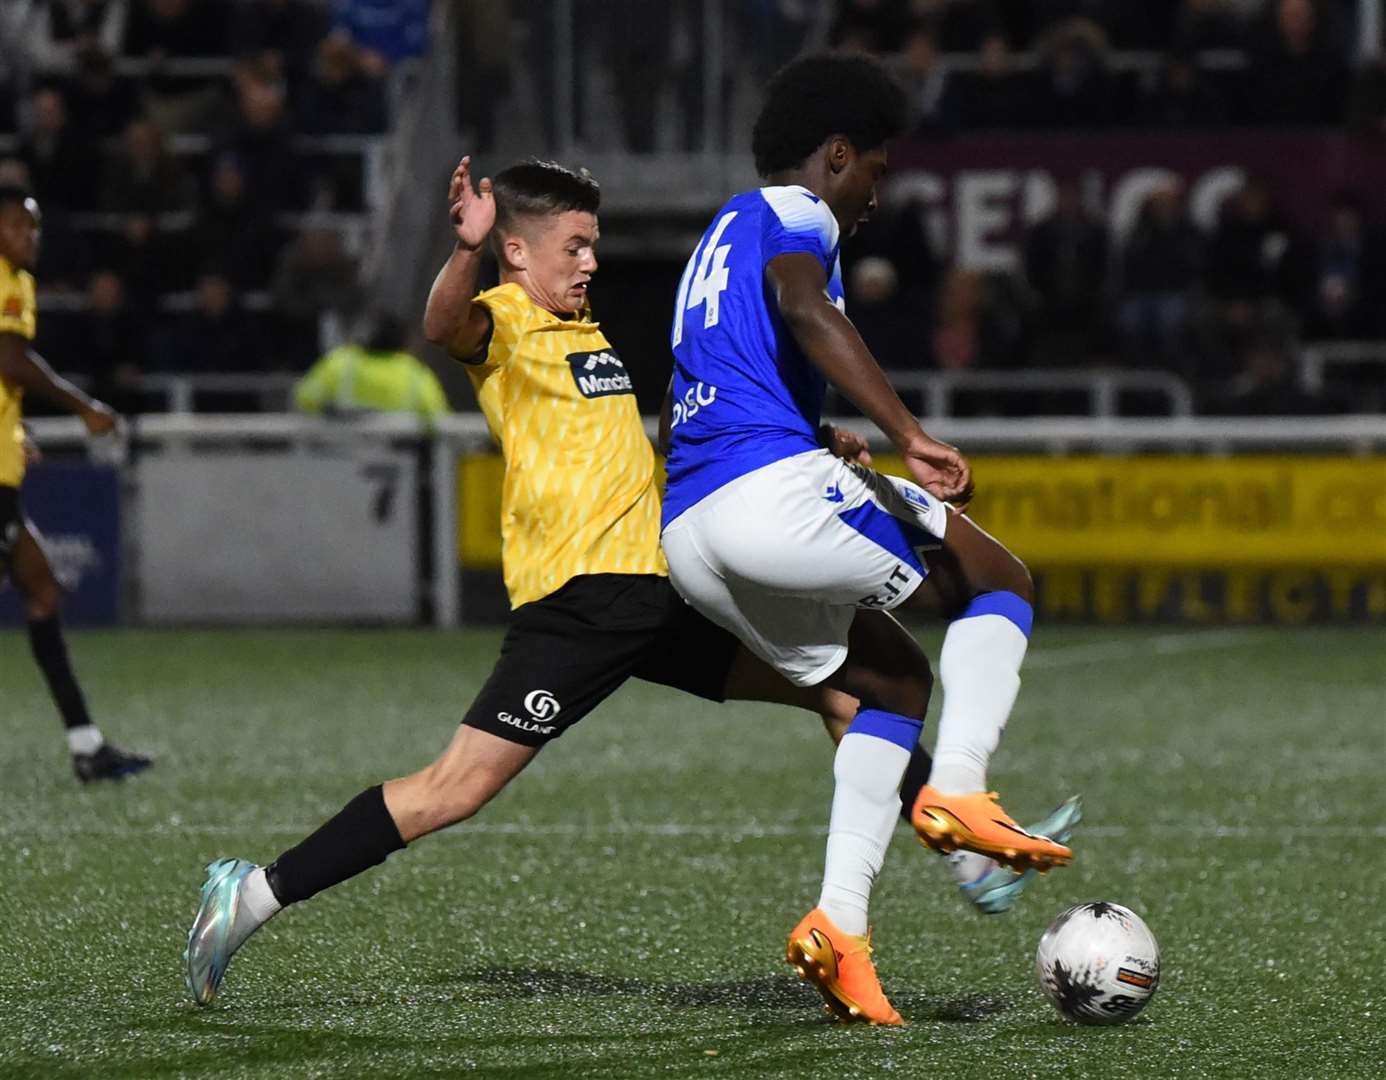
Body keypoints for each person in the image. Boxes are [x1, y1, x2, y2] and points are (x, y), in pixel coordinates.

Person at [183, 156, 1080, 1011]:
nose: (591, 259)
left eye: (594, 243)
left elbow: (662, 440)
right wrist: (464, 249)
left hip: (662, 592)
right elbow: (440, 326)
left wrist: (806, 443)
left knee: (852, 696)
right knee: (452, 790)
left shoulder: (590, 335)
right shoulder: (499, 321)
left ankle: (964, 855)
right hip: (580, 604)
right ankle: (253, 894)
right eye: (574, 245)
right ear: (516, 249)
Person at [659, 53, 1073, 1026]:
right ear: (836, 156)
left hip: (691, 529)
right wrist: (909, 433)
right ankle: (960, 791)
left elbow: (733, 365)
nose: (879, 193)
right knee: (998, 576)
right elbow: (805, 311)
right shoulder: (801, 214)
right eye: (877, 170)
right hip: (767, 500)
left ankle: (840, 928)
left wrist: (821, 434)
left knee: (888, 683)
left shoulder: (720, 232)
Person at [0, 186, 152, 783]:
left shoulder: (18, 279)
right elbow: (9, 361)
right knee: (42, 590)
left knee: (43, 591)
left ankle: (87, 747)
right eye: (16, 226)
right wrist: (83, 406)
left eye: (33, 228)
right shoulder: (7, 280)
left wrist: (17, 430)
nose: (28, 238)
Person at [293, 311, 448, 424]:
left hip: (339, 461)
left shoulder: (340, 364)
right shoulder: (414, 373)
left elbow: (303, 399)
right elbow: (438, 418)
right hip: (400, 464)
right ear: (403, 341)